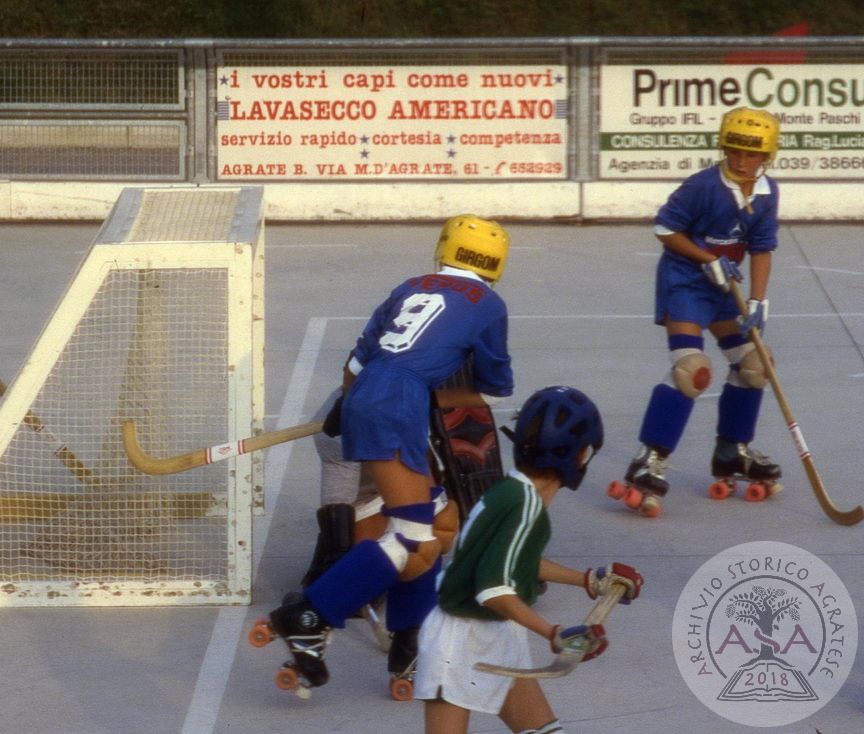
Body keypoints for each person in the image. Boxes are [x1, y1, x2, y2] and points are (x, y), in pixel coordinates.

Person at [260, 215, 514, 693]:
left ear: (444, 249)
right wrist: (430, 396)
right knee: (414, 533)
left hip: (369, 394)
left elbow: (356, 362)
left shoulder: (411, 285)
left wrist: (346, 404)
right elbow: (495, 391)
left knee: (436, 522)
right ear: (496, 265)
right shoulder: (489, 304)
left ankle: (410, 639)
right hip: (399, 405)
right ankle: (310, 614)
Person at [415, 386, 643, 734]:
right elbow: (492, 588)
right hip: (460, 640)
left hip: (495, 632)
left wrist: (589, 580)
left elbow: (518, 560)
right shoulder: (525, 506)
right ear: (578, 455)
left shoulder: (515, 493)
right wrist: (553, 632)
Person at [619, 107, 783, 515]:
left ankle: (732, 449)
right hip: (685, 282)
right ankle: (650, 459)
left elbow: (762, 247)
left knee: (756, 366)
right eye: (734, 152)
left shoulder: (767, 192)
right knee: (693, 371)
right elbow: (663, 228)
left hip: (724, 289)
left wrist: (760, 300)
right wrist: (705, 257)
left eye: (751, 155)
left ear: (767, 156)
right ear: (724, 148)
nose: (742, 162)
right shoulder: (703, 187)